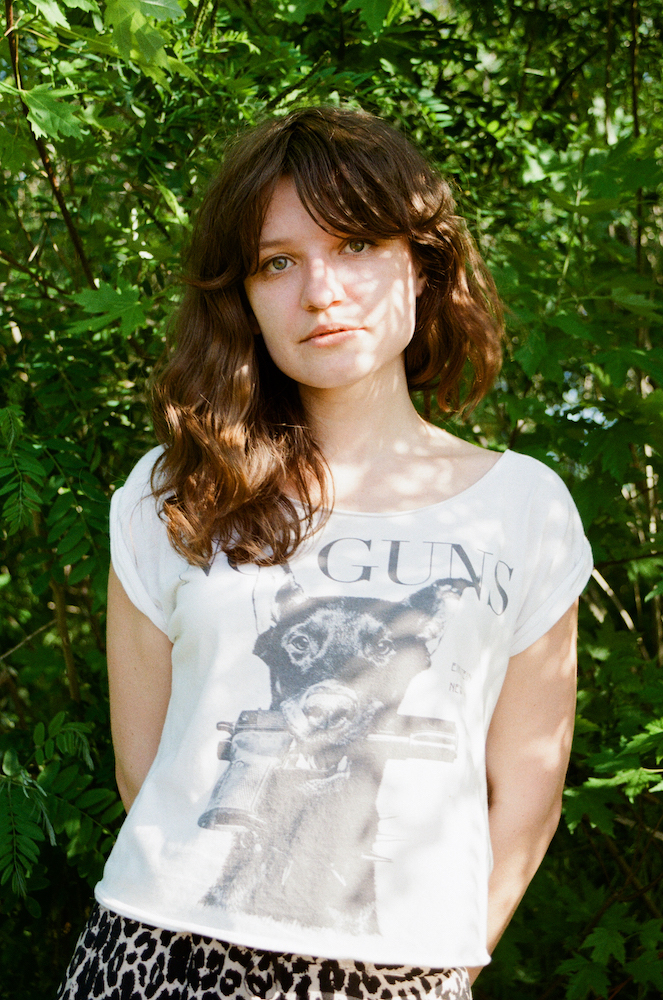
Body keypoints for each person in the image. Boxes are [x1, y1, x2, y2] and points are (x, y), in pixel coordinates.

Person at [57, 106, 592, 1000]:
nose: (321, 291)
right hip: (160, 957)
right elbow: (144, 767)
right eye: (277, 262)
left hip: (399, 971)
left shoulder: (522, 508)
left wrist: (445, 968)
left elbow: (527, 793)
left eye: (356, 245)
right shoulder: (175, 490)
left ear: (421, 266)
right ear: (242, 296)